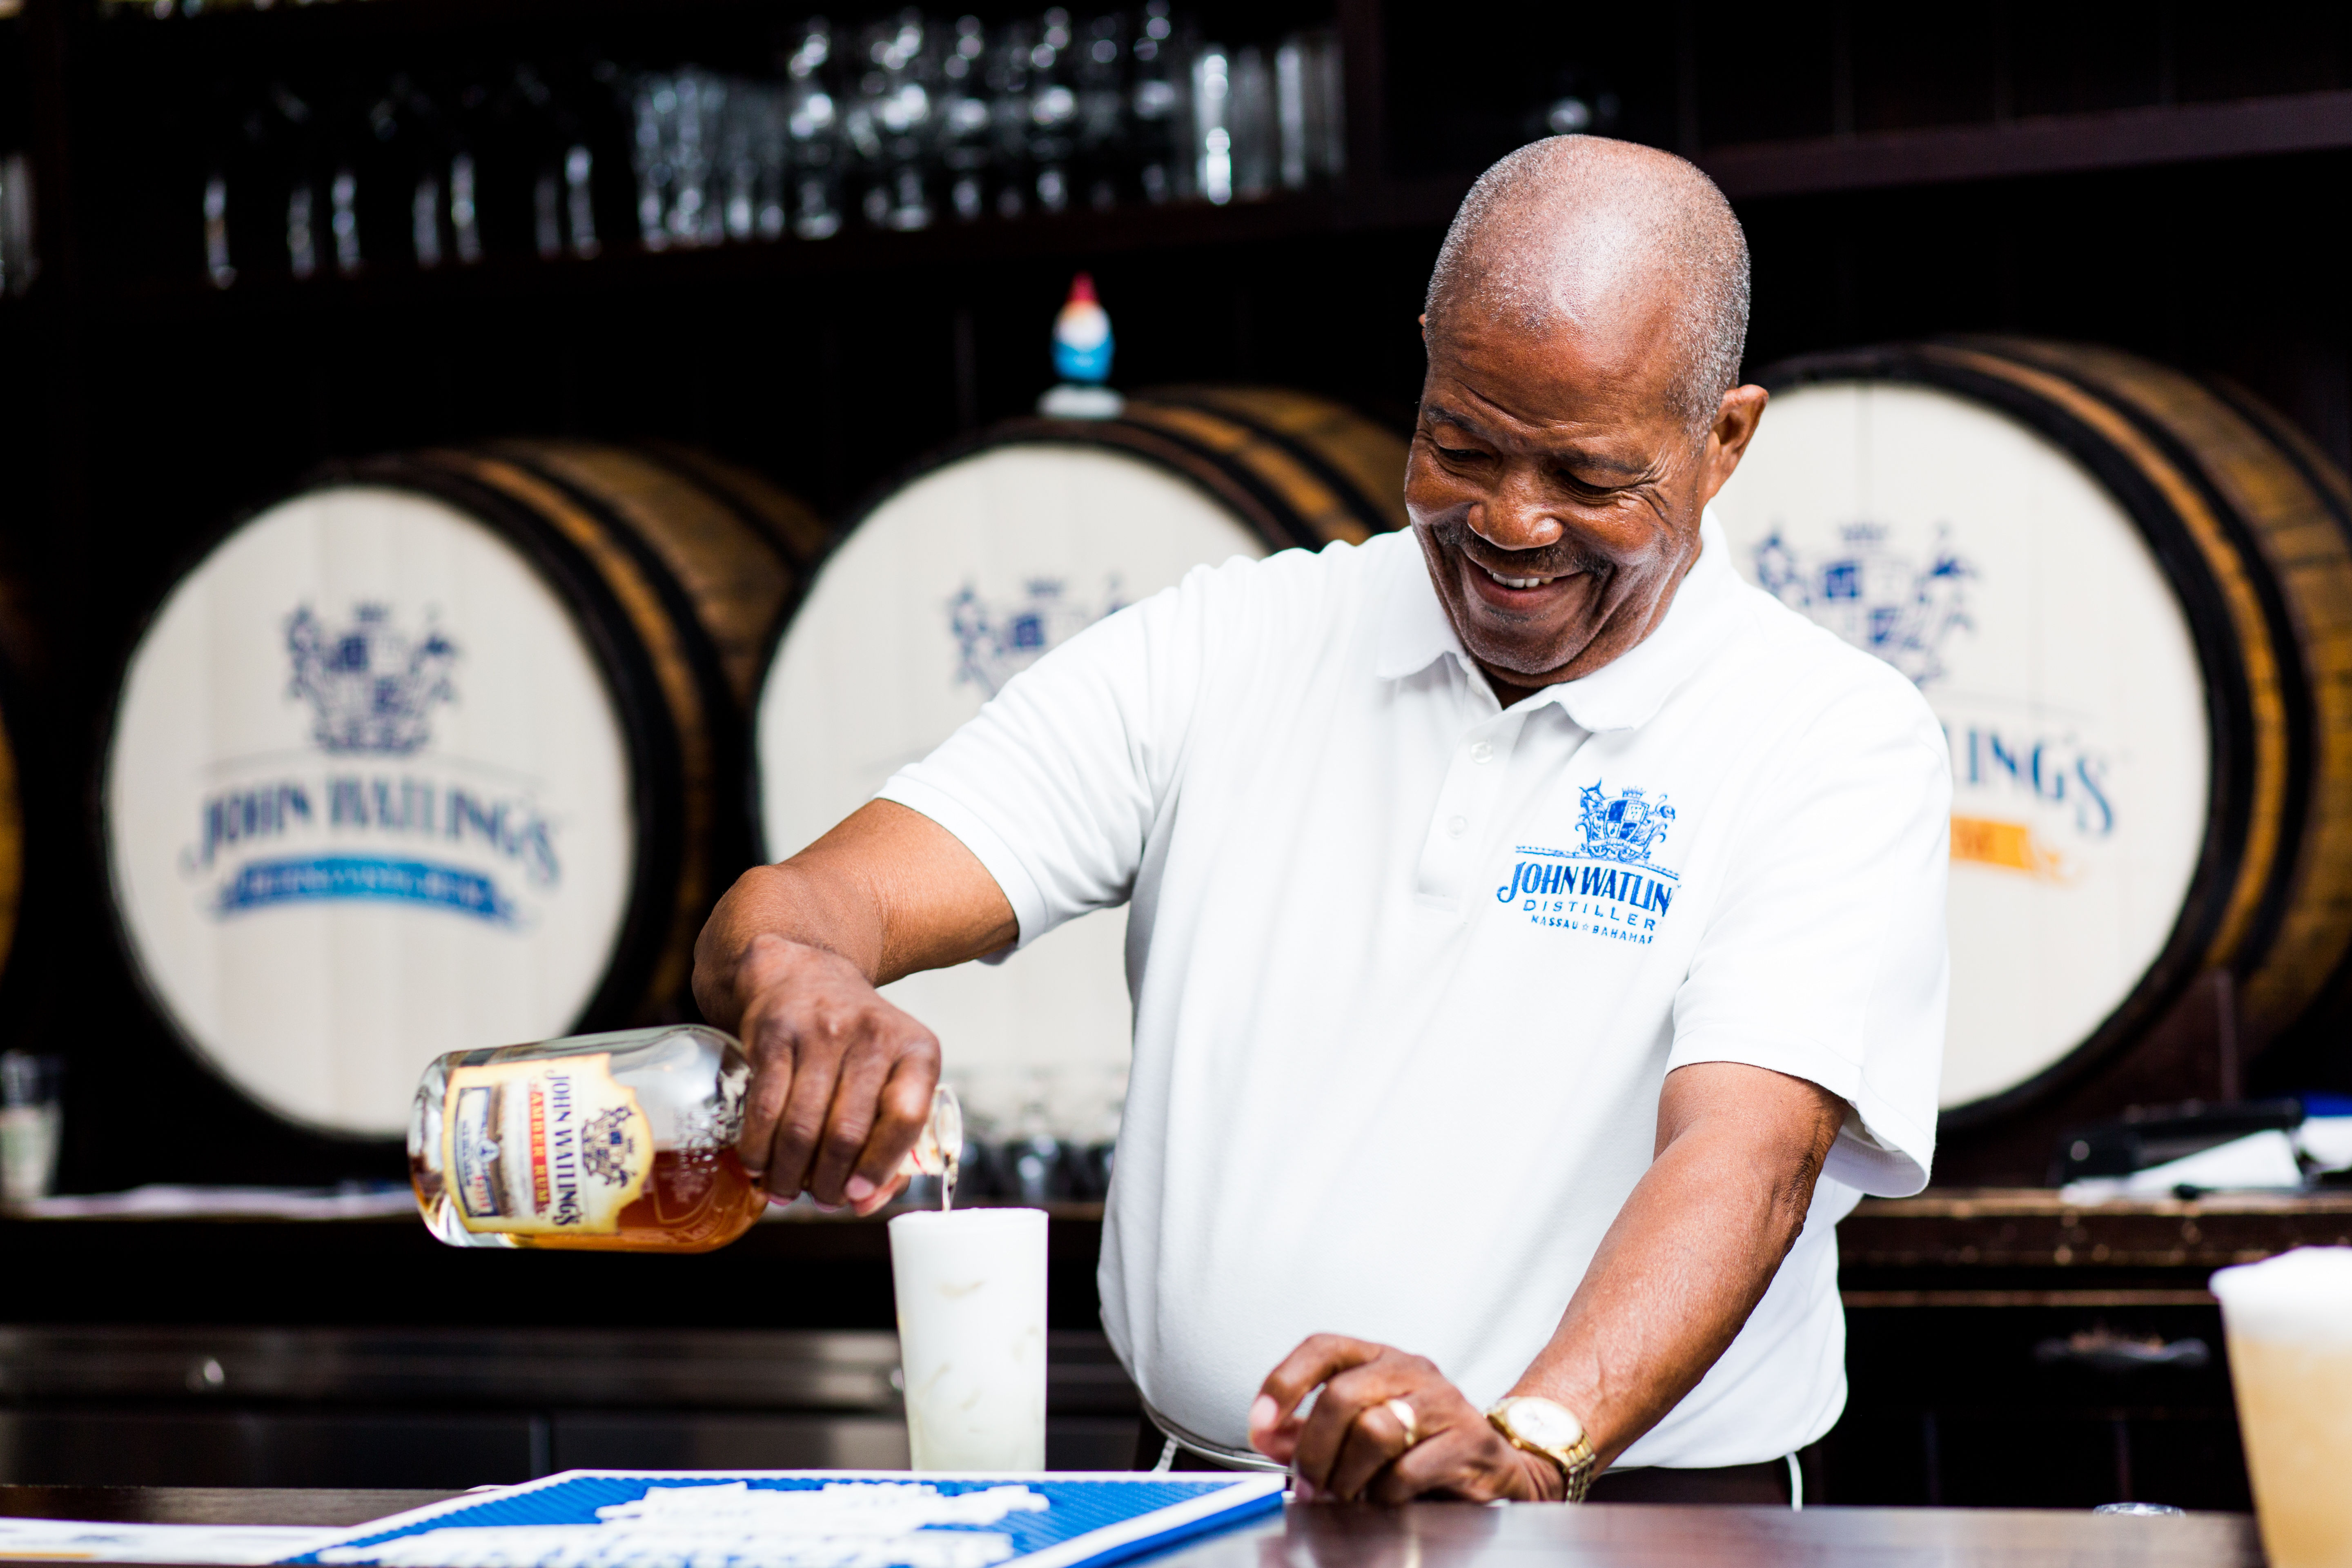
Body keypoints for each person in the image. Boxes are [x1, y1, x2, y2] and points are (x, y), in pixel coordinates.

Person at [693, 135, 1949, 1505]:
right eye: (1462, 443)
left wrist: (1533, 1440)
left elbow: (1746, 1155)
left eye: (1589, 478)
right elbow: (813, 901)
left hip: (1618, 1515)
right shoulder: (1230, 644)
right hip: (1193, 1506)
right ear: (1425, 360)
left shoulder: (1827, 733)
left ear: (1724, 441)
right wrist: (801, 978)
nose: (1513, 524)